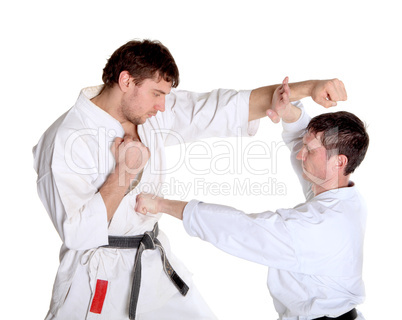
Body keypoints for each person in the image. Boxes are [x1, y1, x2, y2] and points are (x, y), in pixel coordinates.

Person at [33, 38, 348, 320]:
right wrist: (124, 172)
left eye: (165, 96)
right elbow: (77, 233)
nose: (162, 106)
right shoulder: (65, 139)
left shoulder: (150, 112)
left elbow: (221, 107)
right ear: (126, 81)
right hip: (95, 284)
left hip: (152, 267)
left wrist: (309, 88)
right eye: (157, 94)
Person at [136, 77, 369, 320]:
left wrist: (161, 204)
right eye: (304, 145)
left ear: (339, 161)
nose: (300, 154)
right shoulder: (345, 199)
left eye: (309, 151)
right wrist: (289, 111)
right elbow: (303, 137)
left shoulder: (315, 227)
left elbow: (241, 229)